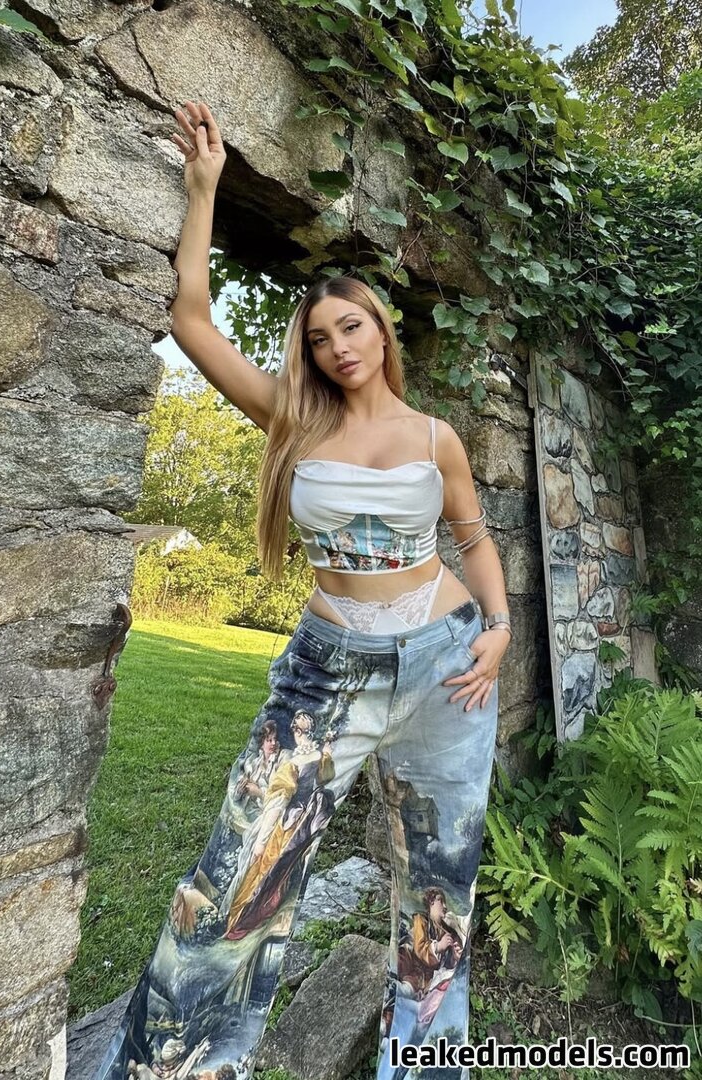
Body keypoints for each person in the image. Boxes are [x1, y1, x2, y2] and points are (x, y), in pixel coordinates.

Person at [94, 101, 511, 1080]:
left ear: (381, 331)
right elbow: (191, 322)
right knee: (239, 876)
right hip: (328, 672)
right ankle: (175, 1067)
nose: (337, 347)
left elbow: (473, 537)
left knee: (440, 892)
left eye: (350, 326)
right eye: (319, 337)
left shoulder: (437, 438)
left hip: (448, 663)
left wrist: (498, 626)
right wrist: (204, 189)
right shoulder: (292, 417)